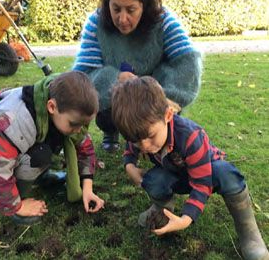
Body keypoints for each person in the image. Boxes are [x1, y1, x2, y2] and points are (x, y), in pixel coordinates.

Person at [111, 76, 269, 260]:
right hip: (176, 173)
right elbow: (131, 146)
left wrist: (186, 219)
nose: (144, 146)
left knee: (226, 175)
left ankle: (248, 232)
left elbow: (201, 183)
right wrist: (129, 164)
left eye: (150, 136)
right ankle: (161, 210)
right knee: (154, 180)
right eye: (136, 140)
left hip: (207, 172)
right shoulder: (139, 133)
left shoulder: (190, 136)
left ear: (168, 115)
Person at [73, 0, 202, 153]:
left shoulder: (163, 21)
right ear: (106, 2)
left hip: (154, 95)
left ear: (144, 4)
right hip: (116, 97)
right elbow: (83, 75)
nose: (122, 18)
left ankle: (160, 137)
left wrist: (166, 97)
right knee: (105, 112)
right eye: (116, 9)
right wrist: (115, 79)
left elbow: (188, 63)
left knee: (159, 116)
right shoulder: (96, 23)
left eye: (131, 10)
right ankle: (111, 131)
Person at [0, 71, 105, 225]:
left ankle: (40, 177)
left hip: (14, 153)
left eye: (84, 124)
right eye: (74, 124)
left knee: (44, 151)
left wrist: (87, 188)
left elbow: (85, 148)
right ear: (52, 106)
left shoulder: (68, 111)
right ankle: (19, 197)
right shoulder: (16, 120)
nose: (79, 130)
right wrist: (15, 207)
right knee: (40, 154)